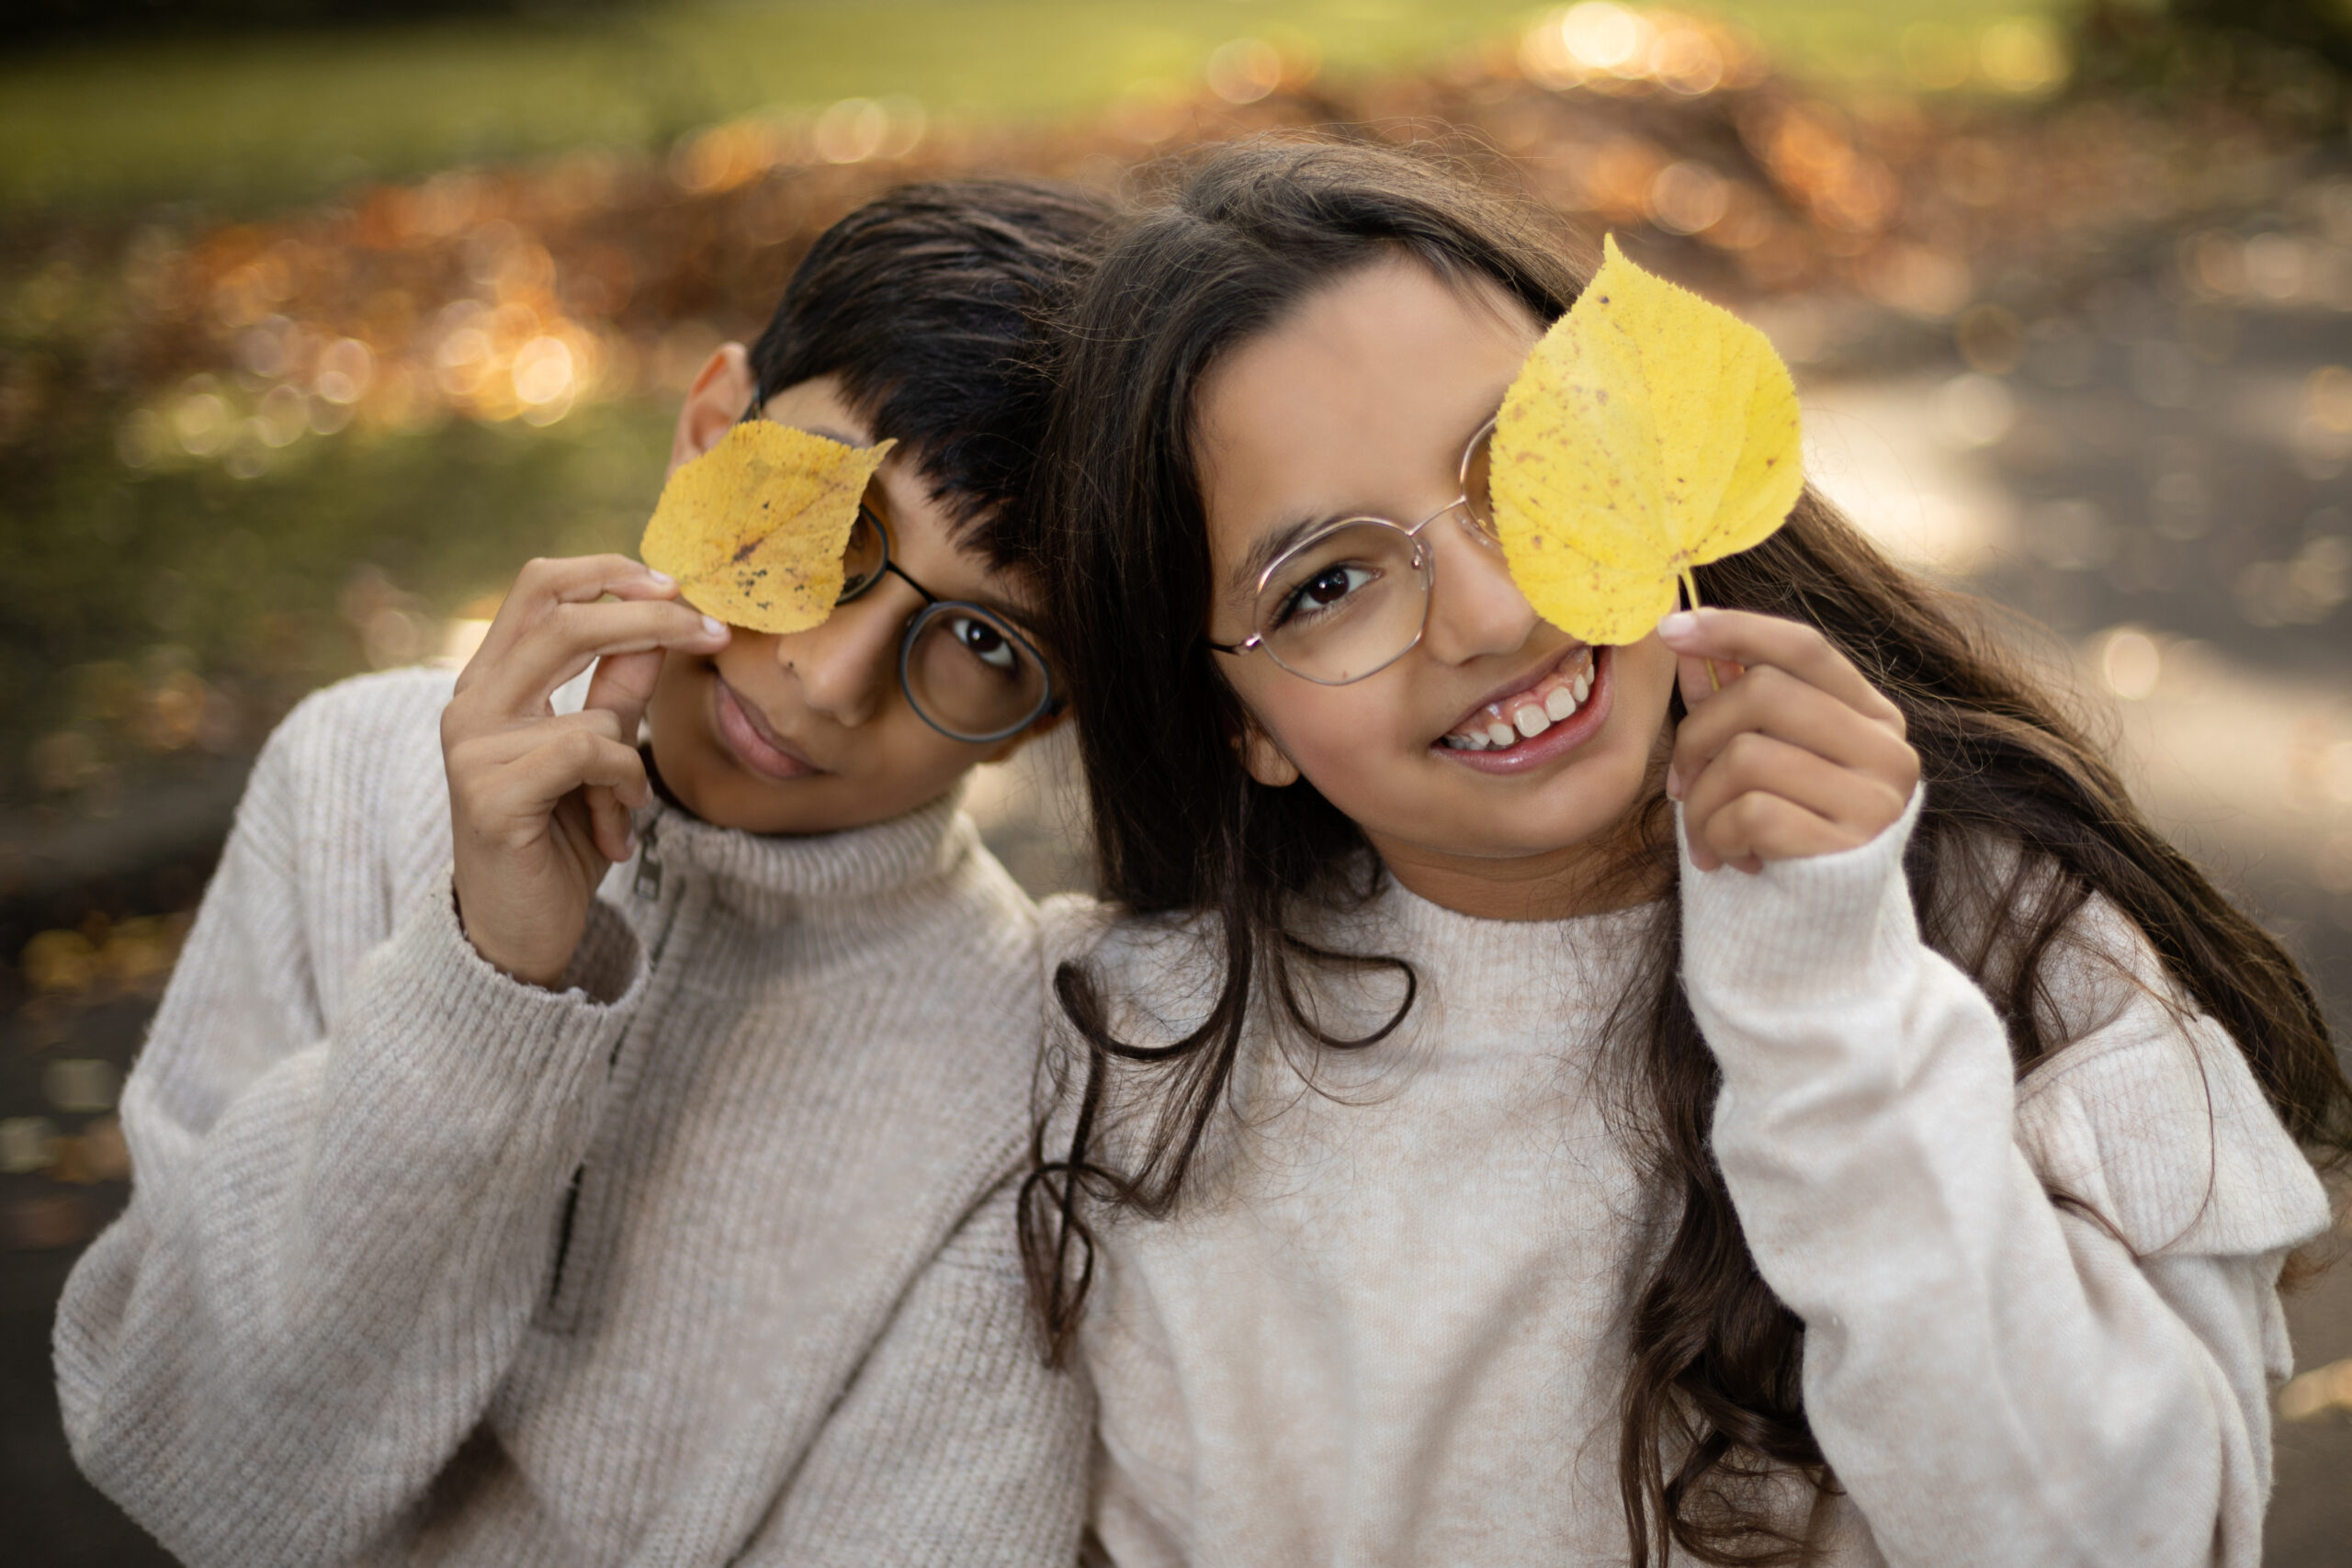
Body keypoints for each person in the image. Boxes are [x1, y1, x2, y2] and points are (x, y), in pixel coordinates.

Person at [1020, 141, 2351, 1568]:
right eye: (1328, 585)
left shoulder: (2002, 933)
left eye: (1520, 465)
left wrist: (1833, 1005)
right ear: (1239, 725)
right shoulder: (1142, 1066)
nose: (1490, 611)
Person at [56, 179, 1109, 1568]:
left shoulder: (1022, 1081)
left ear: (1058, 710)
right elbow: (192, 1465)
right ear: (706, 431)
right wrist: (482, 988)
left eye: (986, 643)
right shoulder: (353, 782)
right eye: (828, 529)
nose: (827, 680)